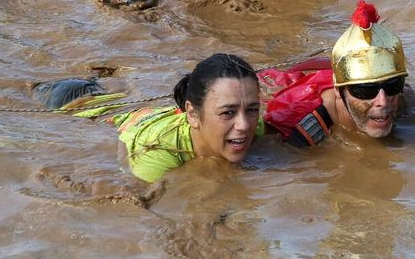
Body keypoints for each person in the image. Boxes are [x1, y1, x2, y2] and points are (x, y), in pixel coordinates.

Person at [38, 54, 264, 183]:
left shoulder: (256, 129)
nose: (244, 125)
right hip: (75, 107)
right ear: (193, 115)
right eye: (228, 112)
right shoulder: (156, 161)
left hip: (133, 110)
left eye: (252, 109)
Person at [261, 0, 409, 146]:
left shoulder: (397, 98)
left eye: (392, 85)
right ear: (339, 90)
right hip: (300, 78)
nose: (382, 102)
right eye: (365, 90)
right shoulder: (305, 128)